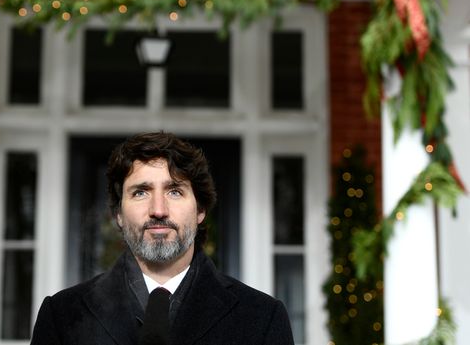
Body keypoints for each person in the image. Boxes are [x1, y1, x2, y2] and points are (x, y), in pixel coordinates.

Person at [30, 131, 294, 344]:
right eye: (140, 192)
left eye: (175, 191)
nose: (158, 210)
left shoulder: (262, 317)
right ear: (118, 214)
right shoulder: (61, 316)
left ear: (200, 210)